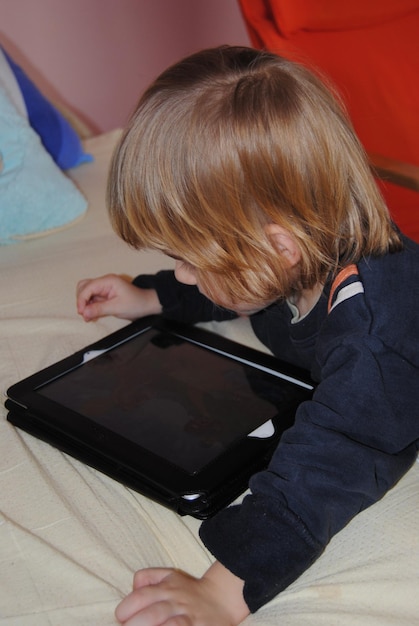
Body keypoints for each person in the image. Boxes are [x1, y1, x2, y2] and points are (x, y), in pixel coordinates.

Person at [76, 46, 419, 625]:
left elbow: (330, 463)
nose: (185, 273)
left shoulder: (373, 344)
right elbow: (232, 280)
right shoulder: (293, 252)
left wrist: (224, 589)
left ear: (279, 247)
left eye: (189, 260)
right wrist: (153, 295)